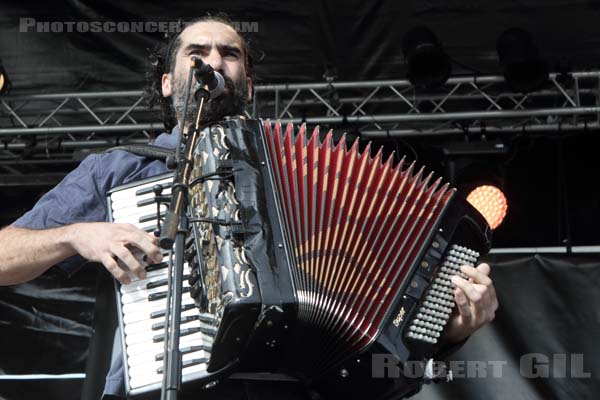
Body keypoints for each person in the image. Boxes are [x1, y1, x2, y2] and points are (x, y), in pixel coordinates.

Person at [0, 15, 498, 400]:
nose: (213, 61)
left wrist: (451, 328)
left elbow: (392, 317)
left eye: (229, 53)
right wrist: (77, 234)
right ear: (168, 83)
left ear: (248, 82)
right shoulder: (121, 169)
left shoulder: (314, 174)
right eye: (196, 51)